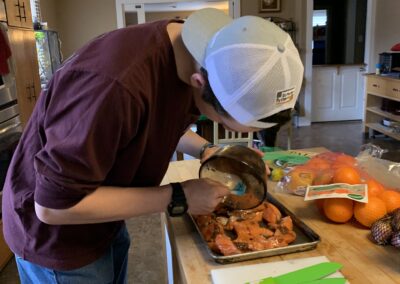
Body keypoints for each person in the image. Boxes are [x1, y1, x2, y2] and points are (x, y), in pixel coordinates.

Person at [2, 8, 304, 283]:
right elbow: (54, 206)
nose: (225, 130)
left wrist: (209, 151)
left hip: (104, 213)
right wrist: (177, 196)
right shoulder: (112, 88)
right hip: (58, 238)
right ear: (199, 83)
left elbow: (153, 123)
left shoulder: (205, 53)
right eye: (226, 124)